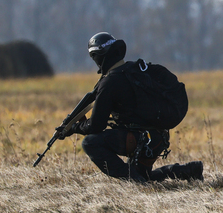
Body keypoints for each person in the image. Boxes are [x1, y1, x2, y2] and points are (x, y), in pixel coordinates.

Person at [61, 32, 203, 183]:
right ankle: (188, 170)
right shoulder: (133, 70)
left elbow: (96, 126)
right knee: (145, 176)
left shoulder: (110, 82)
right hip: (157, 139)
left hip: (139, 140)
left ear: (98, 56)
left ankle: (135, 182)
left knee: (90, 143)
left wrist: (74, 128)